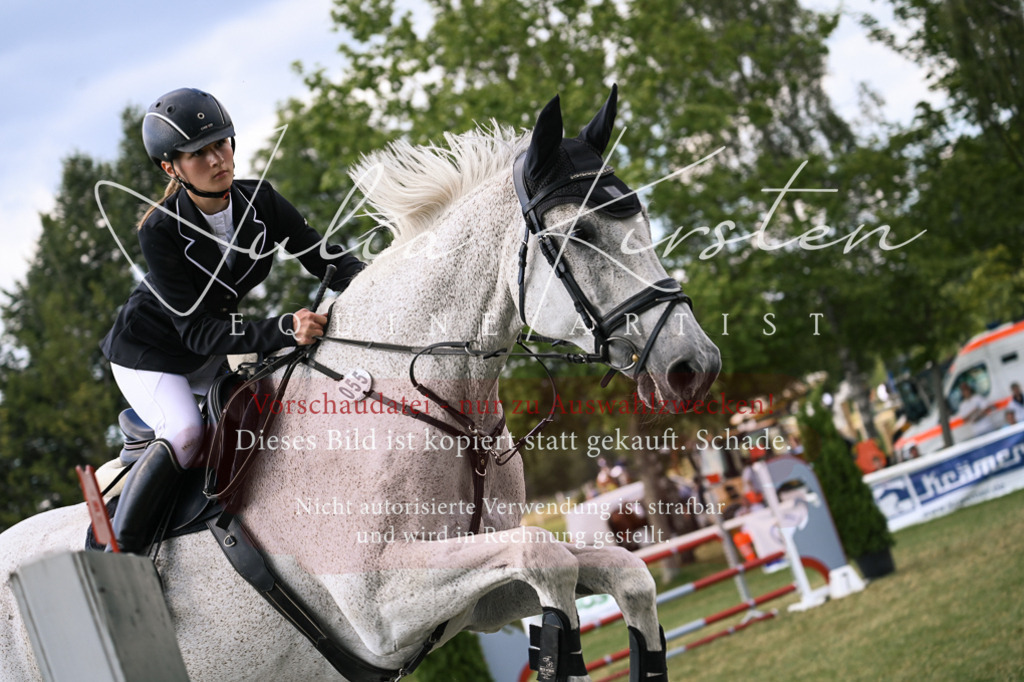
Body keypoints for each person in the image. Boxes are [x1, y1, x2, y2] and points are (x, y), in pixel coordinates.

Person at [100, 87, 366, 553]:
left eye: (222, 143)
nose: (217, 158)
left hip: (212, 343)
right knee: (185, 433)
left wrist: (379, 283)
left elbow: (324, 257)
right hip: (152, 354)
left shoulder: (260, 200)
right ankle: (120, 552)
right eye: (198, 153)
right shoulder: (160, 229)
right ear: (171, 168)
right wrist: (285, 328)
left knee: (276, 414)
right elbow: (198, 331)